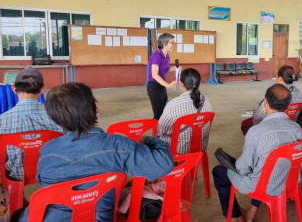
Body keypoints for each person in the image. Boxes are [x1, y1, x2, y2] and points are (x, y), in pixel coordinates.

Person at [17, 82, 174, 221]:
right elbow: (163, 164)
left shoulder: (47, 151)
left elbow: (43, 181)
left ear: (55, 119)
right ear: (96, 108)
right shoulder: (117, 145)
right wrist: (147, 140)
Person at [213, 84, 302, 222]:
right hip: (289, 181)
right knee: (266, 167)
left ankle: (236, 216)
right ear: (287, 106)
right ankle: (250, 212)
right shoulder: (297, 129)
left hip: (262, 186)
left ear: (265, 103)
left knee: (220, 171)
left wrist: (233, 165)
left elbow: (242, 168)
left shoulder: (256, 132)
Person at [0, 67, 62, 181]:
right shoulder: (59, 117)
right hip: (51, 171)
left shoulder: (2, 121)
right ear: (42, 88)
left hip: (14, 176)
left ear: (14, 89)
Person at [157, 68, 212, 154]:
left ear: (181, 84)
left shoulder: (173, 104)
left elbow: (160, 131)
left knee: (148, 140)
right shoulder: (206, 102)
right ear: (199, 83)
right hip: (200, 147)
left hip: (178, 150)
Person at [147, 33, 178, 120]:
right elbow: (155, 74)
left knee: (164, 111)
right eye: (172, 42)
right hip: (154, 86)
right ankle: (157, 133)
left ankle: (162, 132)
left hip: (162, 85)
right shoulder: (156, 55)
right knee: (158, 114)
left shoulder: (167, 55)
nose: (173, 45)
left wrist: (174, 69)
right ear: (164, 44)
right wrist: (167, 85)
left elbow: (164, 70)